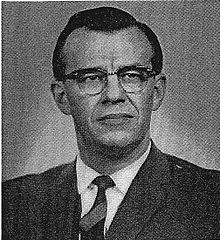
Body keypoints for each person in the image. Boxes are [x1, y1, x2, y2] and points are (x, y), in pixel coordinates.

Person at [2, 6, 220, 240]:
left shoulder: (211, 200)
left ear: (156, 92)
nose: (114, 95)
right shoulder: (11, 204)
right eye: (91, 78)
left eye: (132, 75)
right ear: (61, 97)